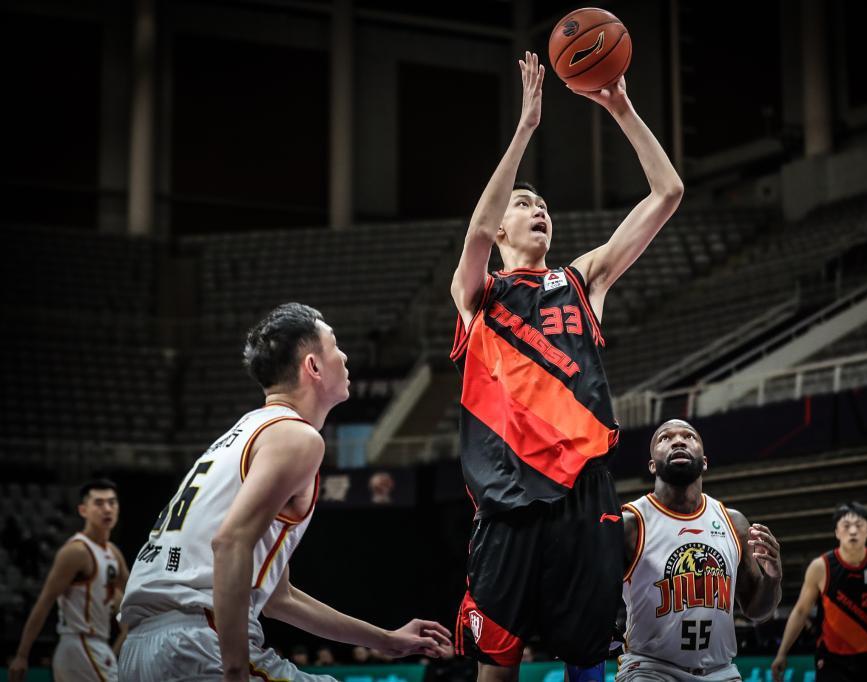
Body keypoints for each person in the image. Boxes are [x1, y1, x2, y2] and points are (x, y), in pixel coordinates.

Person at [449, 52, 684, 681]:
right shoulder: (479, 296)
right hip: (507, 496)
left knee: (588, 657)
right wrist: (526, 129)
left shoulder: (581, 281)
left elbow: (667, 193)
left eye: (544, 204)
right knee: (497, 664)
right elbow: (475, 233)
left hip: (584, 494)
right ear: (502, 229)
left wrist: (622, 109)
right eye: (525, 204)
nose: (539, 210)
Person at [117, 303, 451, 682]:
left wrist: (386, 640)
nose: (344, 357)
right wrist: (235, 670)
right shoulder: (297, 437)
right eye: (335, 346)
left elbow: (279, 599)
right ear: (313, 366)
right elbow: (229, 542)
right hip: (199, 642)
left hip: (141, 650)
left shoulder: (245, 431)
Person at [617, 420, 782, 681]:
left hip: (720, 671)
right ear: (652, 465)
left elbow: (757, 611)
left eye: (689, 436)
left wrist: (773, 578)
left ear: (704, 462)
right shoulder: (631, 523)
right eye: (665, 438)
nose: (678, 441)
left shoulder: (734, 523)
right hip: (651, 669)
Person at [771, 502, 867, 682]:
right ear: (837, 532)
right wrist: (782, 652)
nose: (853, 531)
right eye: (846, 526)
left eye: (859, 525)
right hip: (832, 661)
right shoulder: (821, 567)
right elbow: (801, 612)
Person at [8, 479, 128, 682]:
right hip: (80, 643)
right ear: (83, 510)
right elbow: (45, 601)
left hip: (95, 647)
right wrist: (21, 655)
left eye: (112, 502)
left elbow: (134, 596)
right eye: (99, 503)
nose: (107, 509)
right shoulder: (77, 551)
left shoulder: (113, 553)